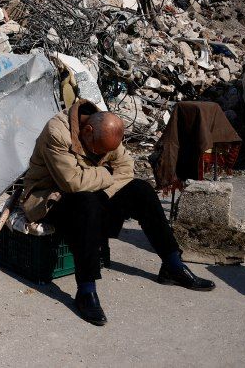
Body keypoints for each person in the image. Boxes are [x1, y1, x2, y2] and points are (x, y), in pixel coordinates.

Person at [21, 99, 215, 325]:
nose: (102, 155)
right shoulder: (57, 132)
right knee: (86, 203)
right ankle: (86, 291)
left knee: (141, 191)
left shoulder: (107, 129)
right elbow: (71, 182)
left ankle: (172, 264)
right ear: (87, 130)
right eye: (98, 150)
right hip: (51, 197)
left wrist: (103, 189)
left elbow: (126, 168)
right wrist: (105, 173)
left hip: (93, 191)